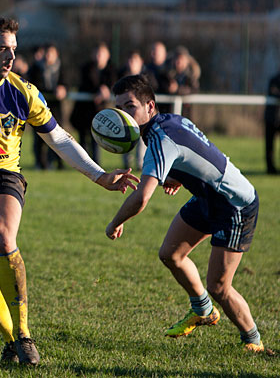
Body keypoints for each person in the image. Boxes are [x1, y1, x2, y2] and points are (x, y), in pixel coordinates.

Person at [0, 15, 139, 365]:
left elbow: (59, 139)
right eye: (2, 49)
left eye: (13, 49)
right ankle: (11, 339)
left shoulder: (23, 91)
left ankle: (24, 333)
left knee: (2, 237)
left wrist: (100, 175)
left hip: (3, 176)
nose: (10, 57)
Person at [106, 74, 266, 353]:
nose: (124, 116)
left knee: (219, 286)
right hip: (208, 197)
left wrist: (115, 222)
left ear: (150, 107)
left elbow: (142, 197)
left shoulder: (158, 138)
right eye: (118, 108)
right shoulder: (171, 121)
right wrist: (181, 175)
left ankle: (254, 342)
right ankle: (203, 311)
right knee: (170, 253)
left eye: (130, 107)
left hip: (234, 204)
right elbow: (197, 149)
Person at [70, 42, 116, 164]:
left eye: (101, 54)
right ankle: (82, 163)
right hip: (83, 111)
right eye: (97, 53)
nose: (98, 56)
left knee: (97, 138)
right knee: (83, 139)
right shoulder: (86, 68)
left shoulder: (111, 70)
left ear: (107, 55)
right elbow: (86, 84)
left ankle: (95, 163)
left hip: (99, 112)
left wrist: (107, 89)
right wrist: (98, 90)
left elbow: (114, 84)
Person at [27, 44, 67, 170]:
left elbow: (66, 83)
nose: (49, 56)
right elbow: (32, 86)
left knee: (58, 136)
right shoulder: (36, 68)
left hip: (56, 108)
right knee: (39, 137)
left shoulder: (61, 68)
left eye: (51, 53)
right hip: (39, 107)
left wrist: (63, 89)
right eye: (47, 53)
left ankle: (58, 163)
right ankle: (41, 163)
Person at [117, 50, 147, 170]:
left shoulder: (145, 77)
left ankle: (140, 165)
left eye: (134, 60)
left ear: (140, 62)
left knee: (141, 139)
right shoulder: (121, 76)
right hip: (125, 115)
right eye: (130, 60)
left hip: (140, 115)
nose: (131, 63)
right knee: (125, 138)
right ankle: (126, 165)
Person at [144, 41, 172, 113]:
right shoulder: (145, 70)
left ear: (165, 54)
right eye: (152, 51)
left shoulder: (171, 71)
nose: (153, 54)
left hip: (168, 109)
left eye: (157, 52)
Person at [265, 70, 280, 174]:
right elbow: (273, 93)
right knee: (269, 145)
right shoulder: (274, 79)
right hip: (271, 118)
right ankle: (270, 168)